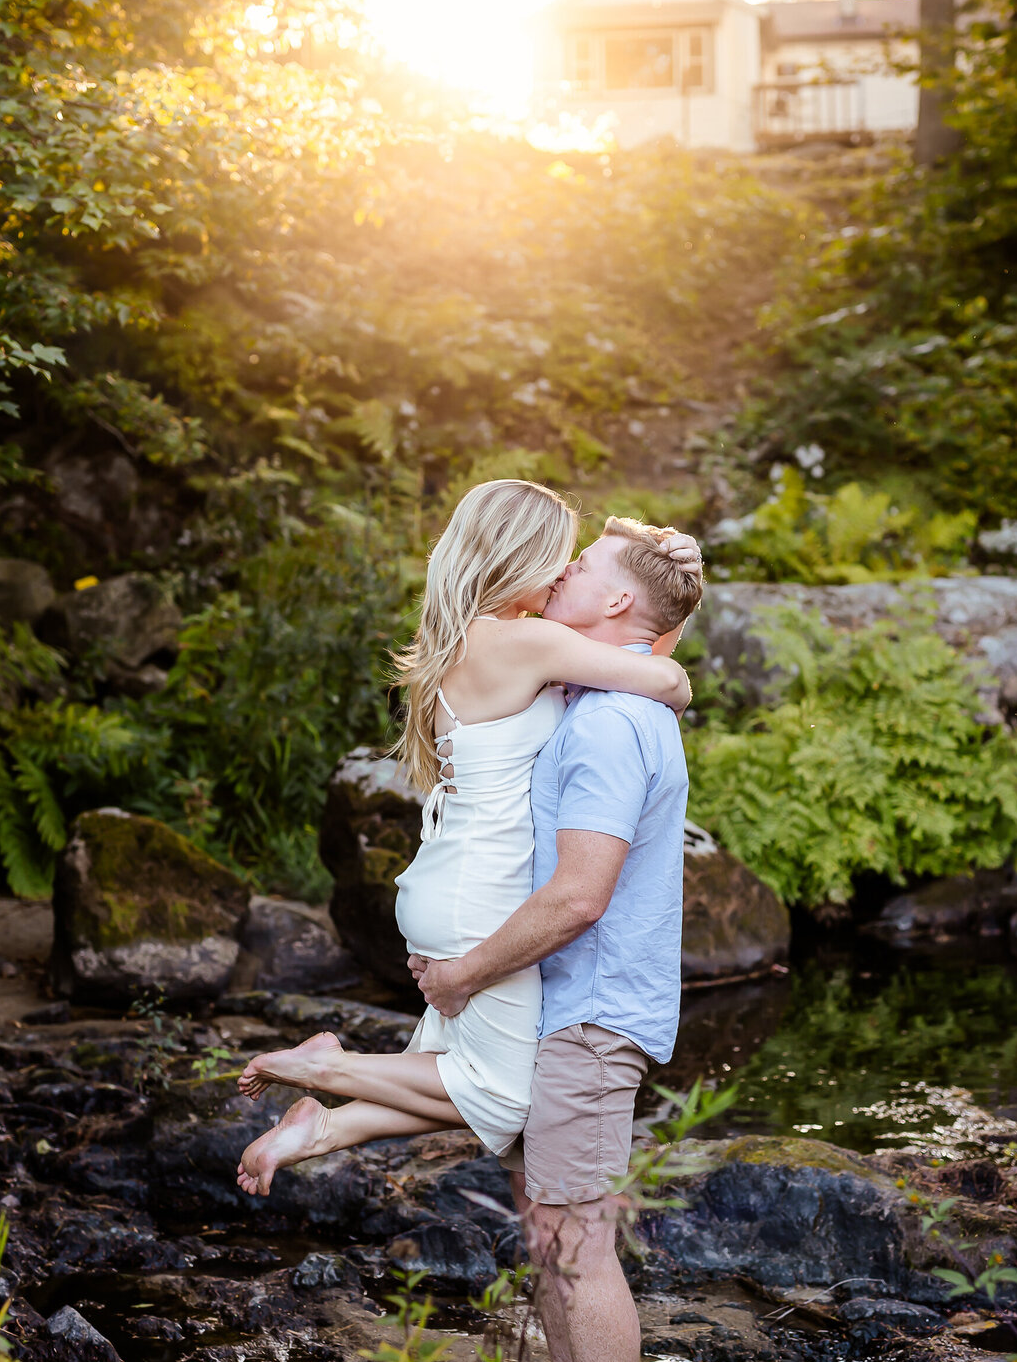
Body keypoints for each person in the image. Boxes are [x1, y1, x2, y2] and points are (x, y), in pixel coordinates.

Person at [233, 479, 699, 1196]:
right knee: (507, 1099)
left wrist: (660, 582)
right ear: (522, 555)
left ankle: (321, 1127)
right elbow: (662, 676)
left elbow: (630, 631)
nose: (563, 571)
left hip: (449, 883)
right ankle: (324, 1067)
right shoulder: (531, 642)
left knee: (461, 1075)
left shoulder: (467, 639)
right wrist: (667, 634)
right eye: (560, 558)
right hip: (481, 893)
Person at [412, 519, 702, 1362]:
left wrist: (463, 973)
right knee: (549, 1224)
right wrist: (665, 584)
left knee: (580, 1239)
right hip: (560, 1003)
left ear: (616, 603)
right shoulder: (594, 685)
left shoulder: (613, 724)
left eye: (582, 566)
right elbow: (652, 642)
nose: (562, 570)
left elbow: (580, 897)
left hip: (586, 1010)